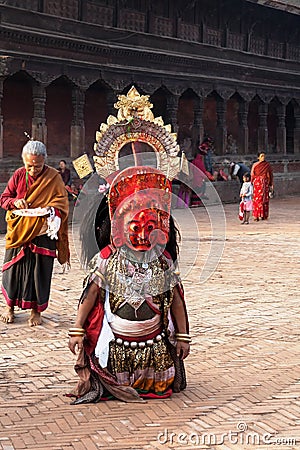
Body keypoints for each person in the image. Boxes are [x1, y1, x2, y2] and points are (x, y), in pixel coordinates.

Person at [67, 166, 190, 404]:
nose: (143, 236)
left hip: (154, 346)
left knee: (161, 380)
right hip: (118, 346)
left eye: (150, 228)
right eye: (136, 229)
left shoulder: (163, 263)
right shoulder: (106, 260)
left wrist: (183, 337)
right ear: (121, 228)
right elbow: (91, 295)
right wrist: (77, 330)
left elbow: (176, 300)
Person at [0, 140, 70, 326]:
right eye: (29, 166)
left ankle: (36, 310)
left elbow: (62, 203)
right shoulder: (19, 175)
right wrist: (15, 202)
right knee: (13, 270)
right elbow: (5, 198)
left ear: (44, 161)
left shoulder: (53, 177)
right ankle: (9, 308)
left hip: (43, 231)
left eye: (37, 166)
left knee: (39, 272)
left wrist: (51, 209)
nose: (33, 170)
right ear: (24, 161)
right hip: (19, 230)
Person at [251, 152, 274, 221]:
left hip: (265, 184)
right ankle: (256, 215)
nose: (263, 157)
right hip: (258, 184)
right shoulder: (255, 165)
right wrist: (254, 181)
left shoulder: (267, 165)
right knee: (257, 200)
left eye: (264, 156)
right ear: (258, 157)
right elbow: (252, 174)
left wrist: (270, 184)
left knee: (265, 200)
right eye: (261, 156)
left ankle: (264, 215)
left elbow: (270, 174)